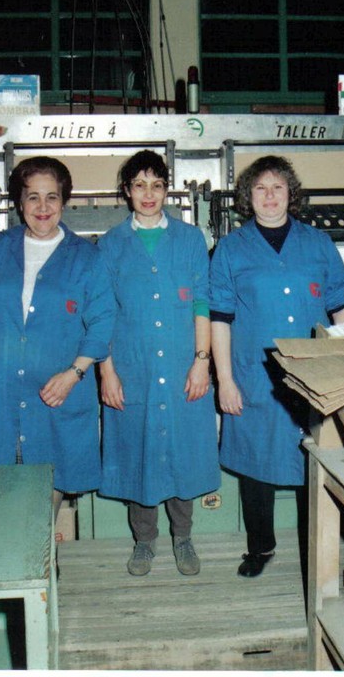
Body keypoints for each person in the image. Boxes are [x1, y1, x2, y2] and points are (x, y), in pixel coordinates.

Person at [210, 155, 344, 578]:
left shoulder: (318, 243)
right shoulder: (231, 249)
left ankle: (318, 548)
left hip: (315, 374)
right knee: (255, 463)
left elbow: (341, 305)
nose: (270, 196)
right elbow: (219, 319)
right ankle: (261, 547)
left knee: (316, 460)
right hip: (255, 374)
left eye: (277, 187)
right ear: (248, 196)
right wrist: (225, 380)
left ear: (291, 193)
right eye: (260, 188)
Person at [0, 156, 115, 517]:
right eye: (33, 197)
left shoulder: (88, 259)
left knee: (45, 496)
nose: (43, 207)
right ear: (19, 202)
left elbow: (103, 323)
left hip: (56, 395)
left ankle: (41, 549)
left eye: (52, 197)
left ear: (64, 201)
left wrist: (74, 373)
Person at [98, 150, 220, 576]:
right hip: (132, 368)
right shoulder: (110, 245)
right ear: (127, 191)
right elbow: (102, 313)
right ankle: (144, 541)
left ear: (167, 190)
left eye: (156, 185)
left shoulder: (190, 240)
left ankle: (183, 537)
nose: (148, 194)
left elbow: (202, 303)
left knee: (182, 450)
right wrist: (107, 371)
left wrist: (202, 361)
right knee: (139, 451)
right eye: (139, 185)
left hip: (183, 365)